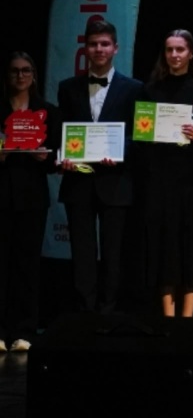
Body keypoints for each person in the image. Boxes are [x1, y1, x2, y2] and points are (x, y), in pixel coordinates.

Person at [57, 19, 144, 314]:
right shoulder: (67, 88)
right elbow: (64, 132)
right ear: (85, 48)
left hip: (116, 181)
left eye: (105, 44)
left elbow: (138, 135)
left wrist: (119, 152)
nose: (99, 49)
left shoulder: (134, 88)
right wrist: (63, 155)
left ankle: (107, 313)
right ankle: (85, 315)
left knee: (113, 252)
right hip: (78, 181)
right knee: (82, 253)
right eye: (93, 44)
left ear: (115, 48)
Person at [140, 30, 193, 317]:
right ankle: (168, 318)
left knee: (191, 246)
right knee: (165, 246)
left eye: (180, 50)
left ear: (191, 53)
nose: (174, 55)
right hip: (160, 180)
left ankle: (187, 319)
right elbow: (142, 137)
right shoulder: (150, 90)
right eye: (169, 50)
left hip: (192, 181)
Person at [0, 53, 60, 352]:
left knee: (27, 265)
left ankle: (24, 330)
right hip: (2, 194)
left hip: (32, 198)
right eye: (14, 71)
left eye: (25, 71)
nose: (20, 76)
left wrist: (43, 157)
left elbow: (56, 159)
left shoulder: (47, 111)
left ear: (34, 75)